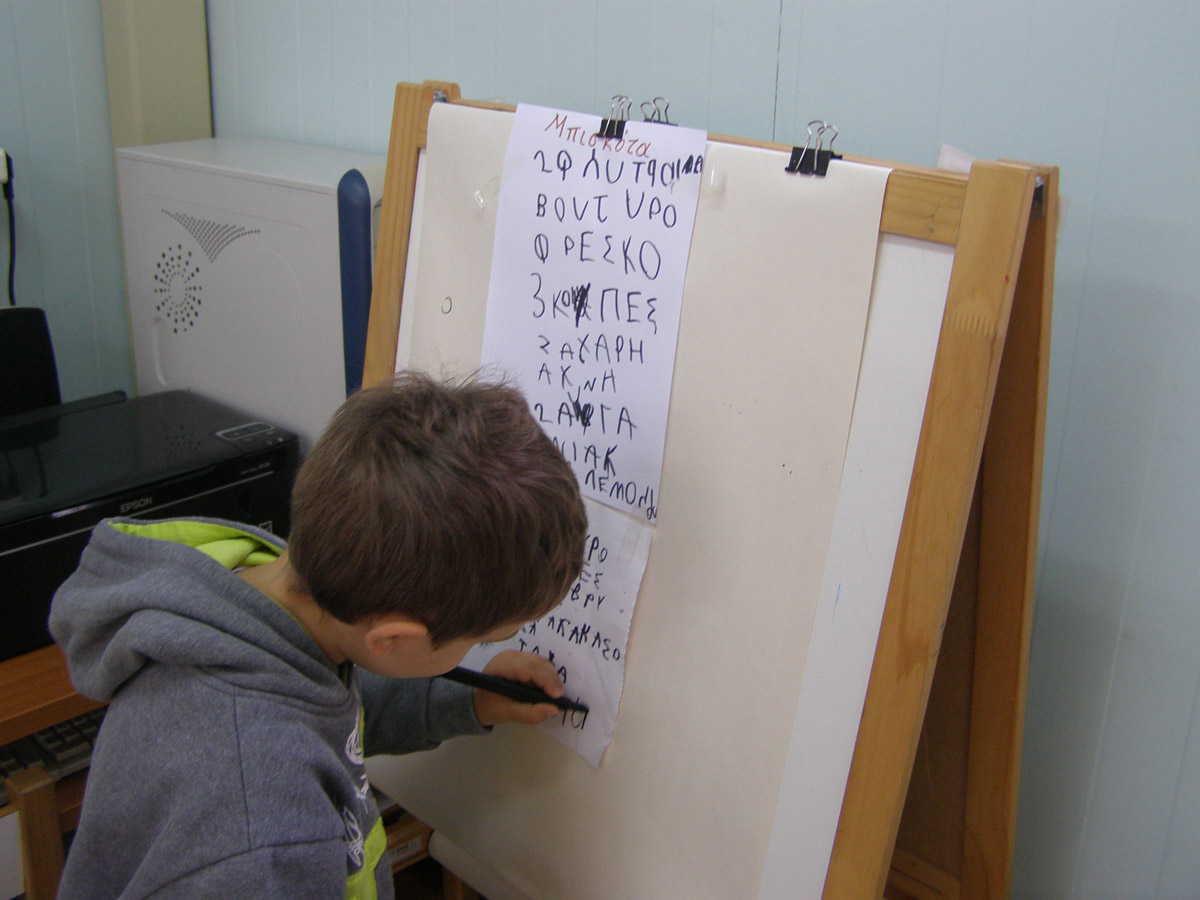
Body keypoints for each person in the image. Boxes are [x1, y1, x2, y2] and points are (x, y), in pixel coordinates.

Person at [49, 371, 587, 900]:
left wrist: (469, 701)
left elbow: (326, 710)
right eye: (481, 640)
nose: (479, 650)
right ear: (392, 640)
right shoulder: (264, 839)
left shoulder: (260, 606)